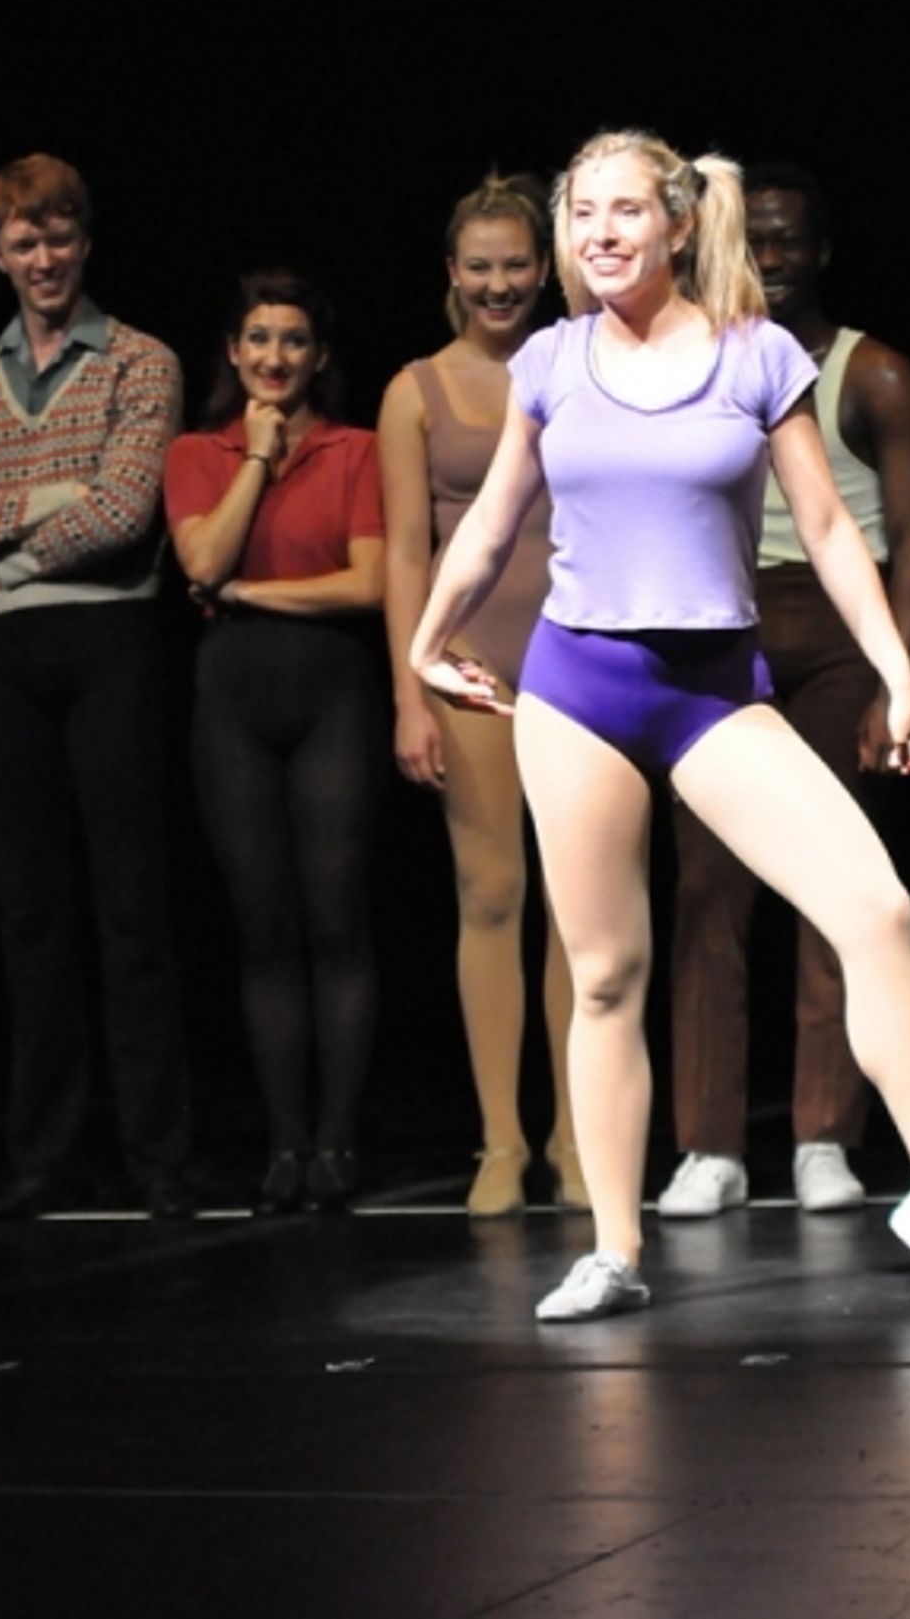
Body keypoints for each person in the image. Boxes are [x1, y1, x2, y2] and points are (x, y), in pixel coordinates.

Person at [410, 128, 910, 1320]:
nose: (598, 233)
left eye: (624, 211)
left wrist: (898, 676)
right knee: (605, 978)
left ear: (677, 224)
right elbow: (490, 525)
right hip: (577, 687)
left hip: (709, 691)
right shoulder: (549, 361)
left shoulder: (752, 356)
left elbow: (837, 530)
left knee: (875, 910)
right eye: (580, 213)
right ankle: (612, 1247)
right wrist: (426, 641)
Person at [659, 162, 910, 1219]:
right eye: (752, 241)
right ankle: (710, 1145)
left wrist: (888, 679)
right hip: (719, 632)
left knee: (833, 886)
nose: (767, 260)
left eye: (785, 241)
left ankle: (825, 1133)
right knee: (706, 893)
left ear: (818, 252)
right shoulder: (689, 360)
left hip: (830, 637)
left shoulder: (873, 375)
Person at [0, 154, 191, 1219]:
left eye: (58, 238)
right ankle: (44, 1158)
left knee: (133, 910)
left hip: (111, 646)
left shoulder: (141, 362)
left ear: (83, 243)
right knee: (30, 916)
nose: (43, 259)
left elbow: (127, 510)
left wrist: (3, 537)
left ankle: (159, 1161)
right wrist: (54, 497)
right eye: (22, 242)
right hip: (6, 658)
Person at [377, 175, 584, 1218]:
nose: (498, 284)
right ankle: (502, 1141)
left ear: (543, 269)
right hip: (471, 665)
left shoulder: (582, 359)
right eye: (479, 267)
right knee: (492, 893)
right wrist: (411, 690)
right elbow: (406, 558)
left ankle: (577, 1137)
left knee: (579, 907)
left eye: (515, 266)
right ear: (451, 274)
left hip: (580, 656)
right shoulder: (415, 390)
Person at [164, 270, 385, 1214]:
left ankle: (336, 1142)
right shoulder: (197, 452)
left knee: (335, 920)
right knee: (262, 928)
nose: (274, 357)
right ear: (232, 350)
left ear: (320, 355)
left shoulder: (357, 448)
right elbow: (202, 558)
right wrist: (255, 456)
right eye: (257, 338)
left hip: (331, 685)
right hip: (232, 699)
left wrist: (249, 595)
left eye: (293, 340)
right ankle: (284, 1146)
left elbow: (366, 585)